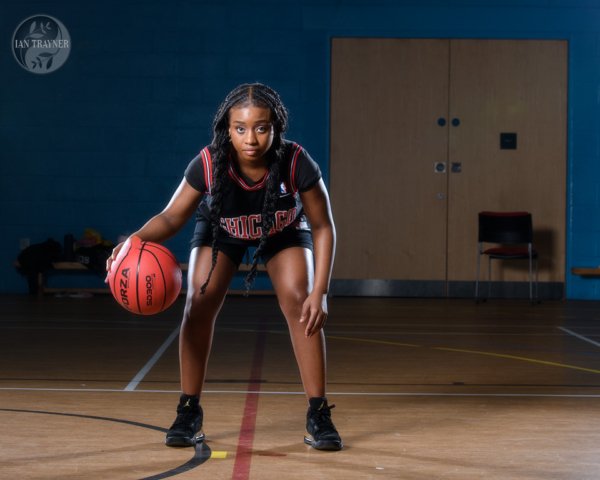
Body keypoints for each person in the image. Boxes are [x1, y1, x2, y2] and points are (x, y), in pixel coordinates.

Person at [106, 83, 342, 451]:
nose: (251, 137)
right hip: (223, 231)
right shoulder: (209, 162)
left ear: (276, 127)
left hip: (283, 230)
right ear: (227, 129)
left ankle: (318, 413)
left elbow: (324, 225)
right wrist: (132, 241)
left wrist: (320, 291)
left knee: (301, 305)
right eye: (241, 128)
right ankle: (188, 409)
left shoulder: (295, 161)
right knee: (197, 303)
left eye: (261, 127)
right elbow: (171, 218)